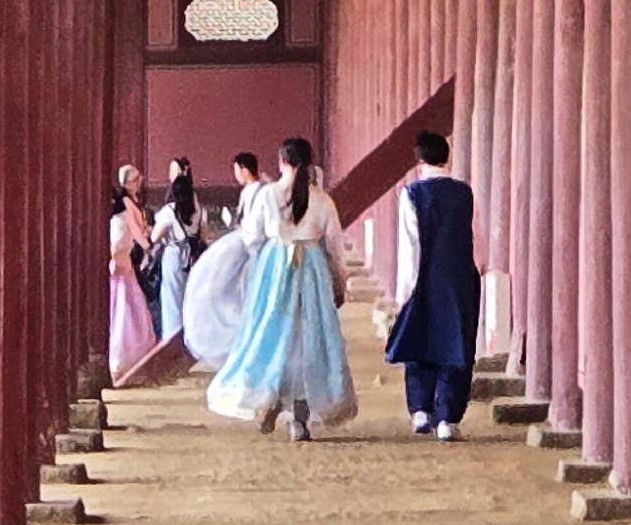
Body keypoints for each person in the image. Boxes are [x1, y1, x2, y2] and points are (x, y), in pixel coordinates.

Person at [206, 133, 356, 441]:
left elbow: (252, 237)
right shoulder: (322, 200)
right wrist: (340, 281)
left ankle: (270, 397)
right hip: (311, 272)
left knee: (270, 334)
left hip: (274, 270)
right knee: (308, 341)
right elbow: (335, 246)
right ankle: (299, 417)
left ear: (281, 162)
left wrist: (262, 258)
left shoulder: (268, 195)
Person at [384, 127, 483, 440]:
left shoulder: (412, 194)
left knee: (420, 342)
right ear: (446, 159)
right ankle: (447, 419)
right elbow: (474, 236)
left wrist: (404, 293)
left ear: (419, 160)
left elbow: (410, 246)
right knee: (456, 345)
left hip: (424, 277)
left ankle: (421, 410)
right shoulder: (464, 192)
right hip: (458, 278)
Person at [107, 164, 155, 390]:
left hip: (123, 265)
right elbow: (130, 235)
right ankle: (124, 359)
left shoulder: (125, 209)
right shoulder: (126, 209)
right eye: (136, 180)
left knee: (127, 312)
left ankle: (128, 360)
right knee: (125, 313)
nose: (139, 183)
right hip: (122, 266)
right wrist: (149, 246)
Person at [149, 158, 202, 342]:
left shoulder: (169, 211)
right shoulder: (196, 210)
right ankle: (189, 337)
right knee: (188, 297)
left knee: (171, 299)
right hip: (191, 256)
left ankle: (172, 339)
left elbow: (154, 237)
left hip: (174, 255)